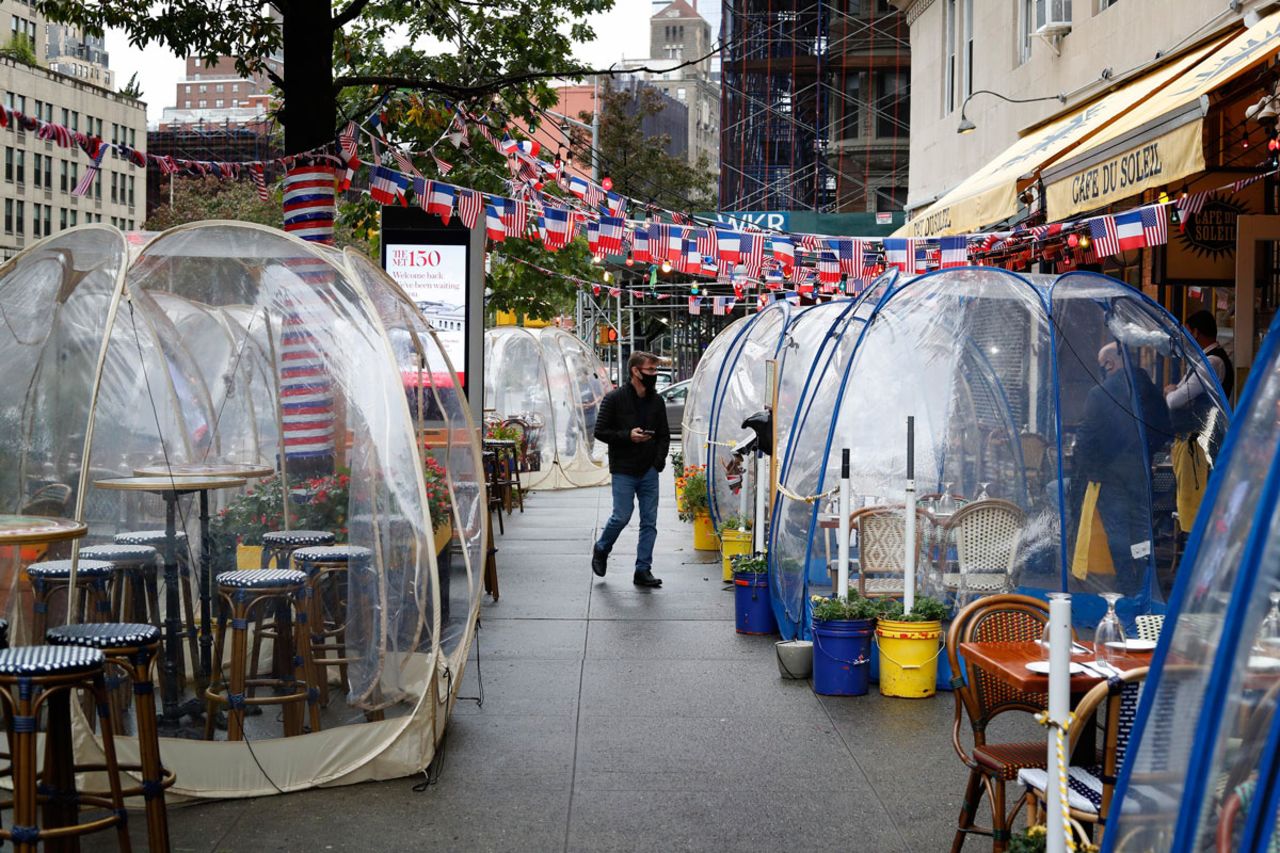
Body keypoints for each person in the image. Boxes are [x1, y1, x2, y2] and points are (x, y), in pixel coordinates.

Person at [1071, 342, 1172, 596]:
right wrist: (1144, 452)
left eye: (1102, 365)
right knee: (1140, 529)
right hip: (1140, 474)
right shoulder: (1146, 389)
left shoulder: (1099, 394)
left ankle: (1127, 582)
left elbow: (1085, 438)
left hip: (1109, 477)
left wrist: (1093, 469)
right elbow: (1164, 426)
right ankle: (1143, 578)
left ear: (1111, 363)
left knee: (1118, 533)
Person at [591, 351, 670, 587]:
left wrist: (658, 462)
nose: (655, 375)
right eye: (651, 370)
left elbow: (664, 436)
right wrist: (628, 436)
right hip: (624, 468)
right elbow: (600, 431)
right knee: (621, 516)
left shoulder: (657, 401)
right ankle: (601, 548)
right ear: (636, 371)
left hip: (648, 470)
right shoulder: (614, 399)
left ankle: (642, 569)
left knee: (649, 522)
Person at [1164, 310, 1233, 533]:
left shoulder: (1212, 362)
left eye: (1187, 333)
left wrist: (1171, 393)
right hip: (1195, 441)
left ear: (1196, 332)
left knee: (1195, 503)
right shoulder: (1205, 360)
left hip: (1200, 444)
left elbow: (1176, 399)